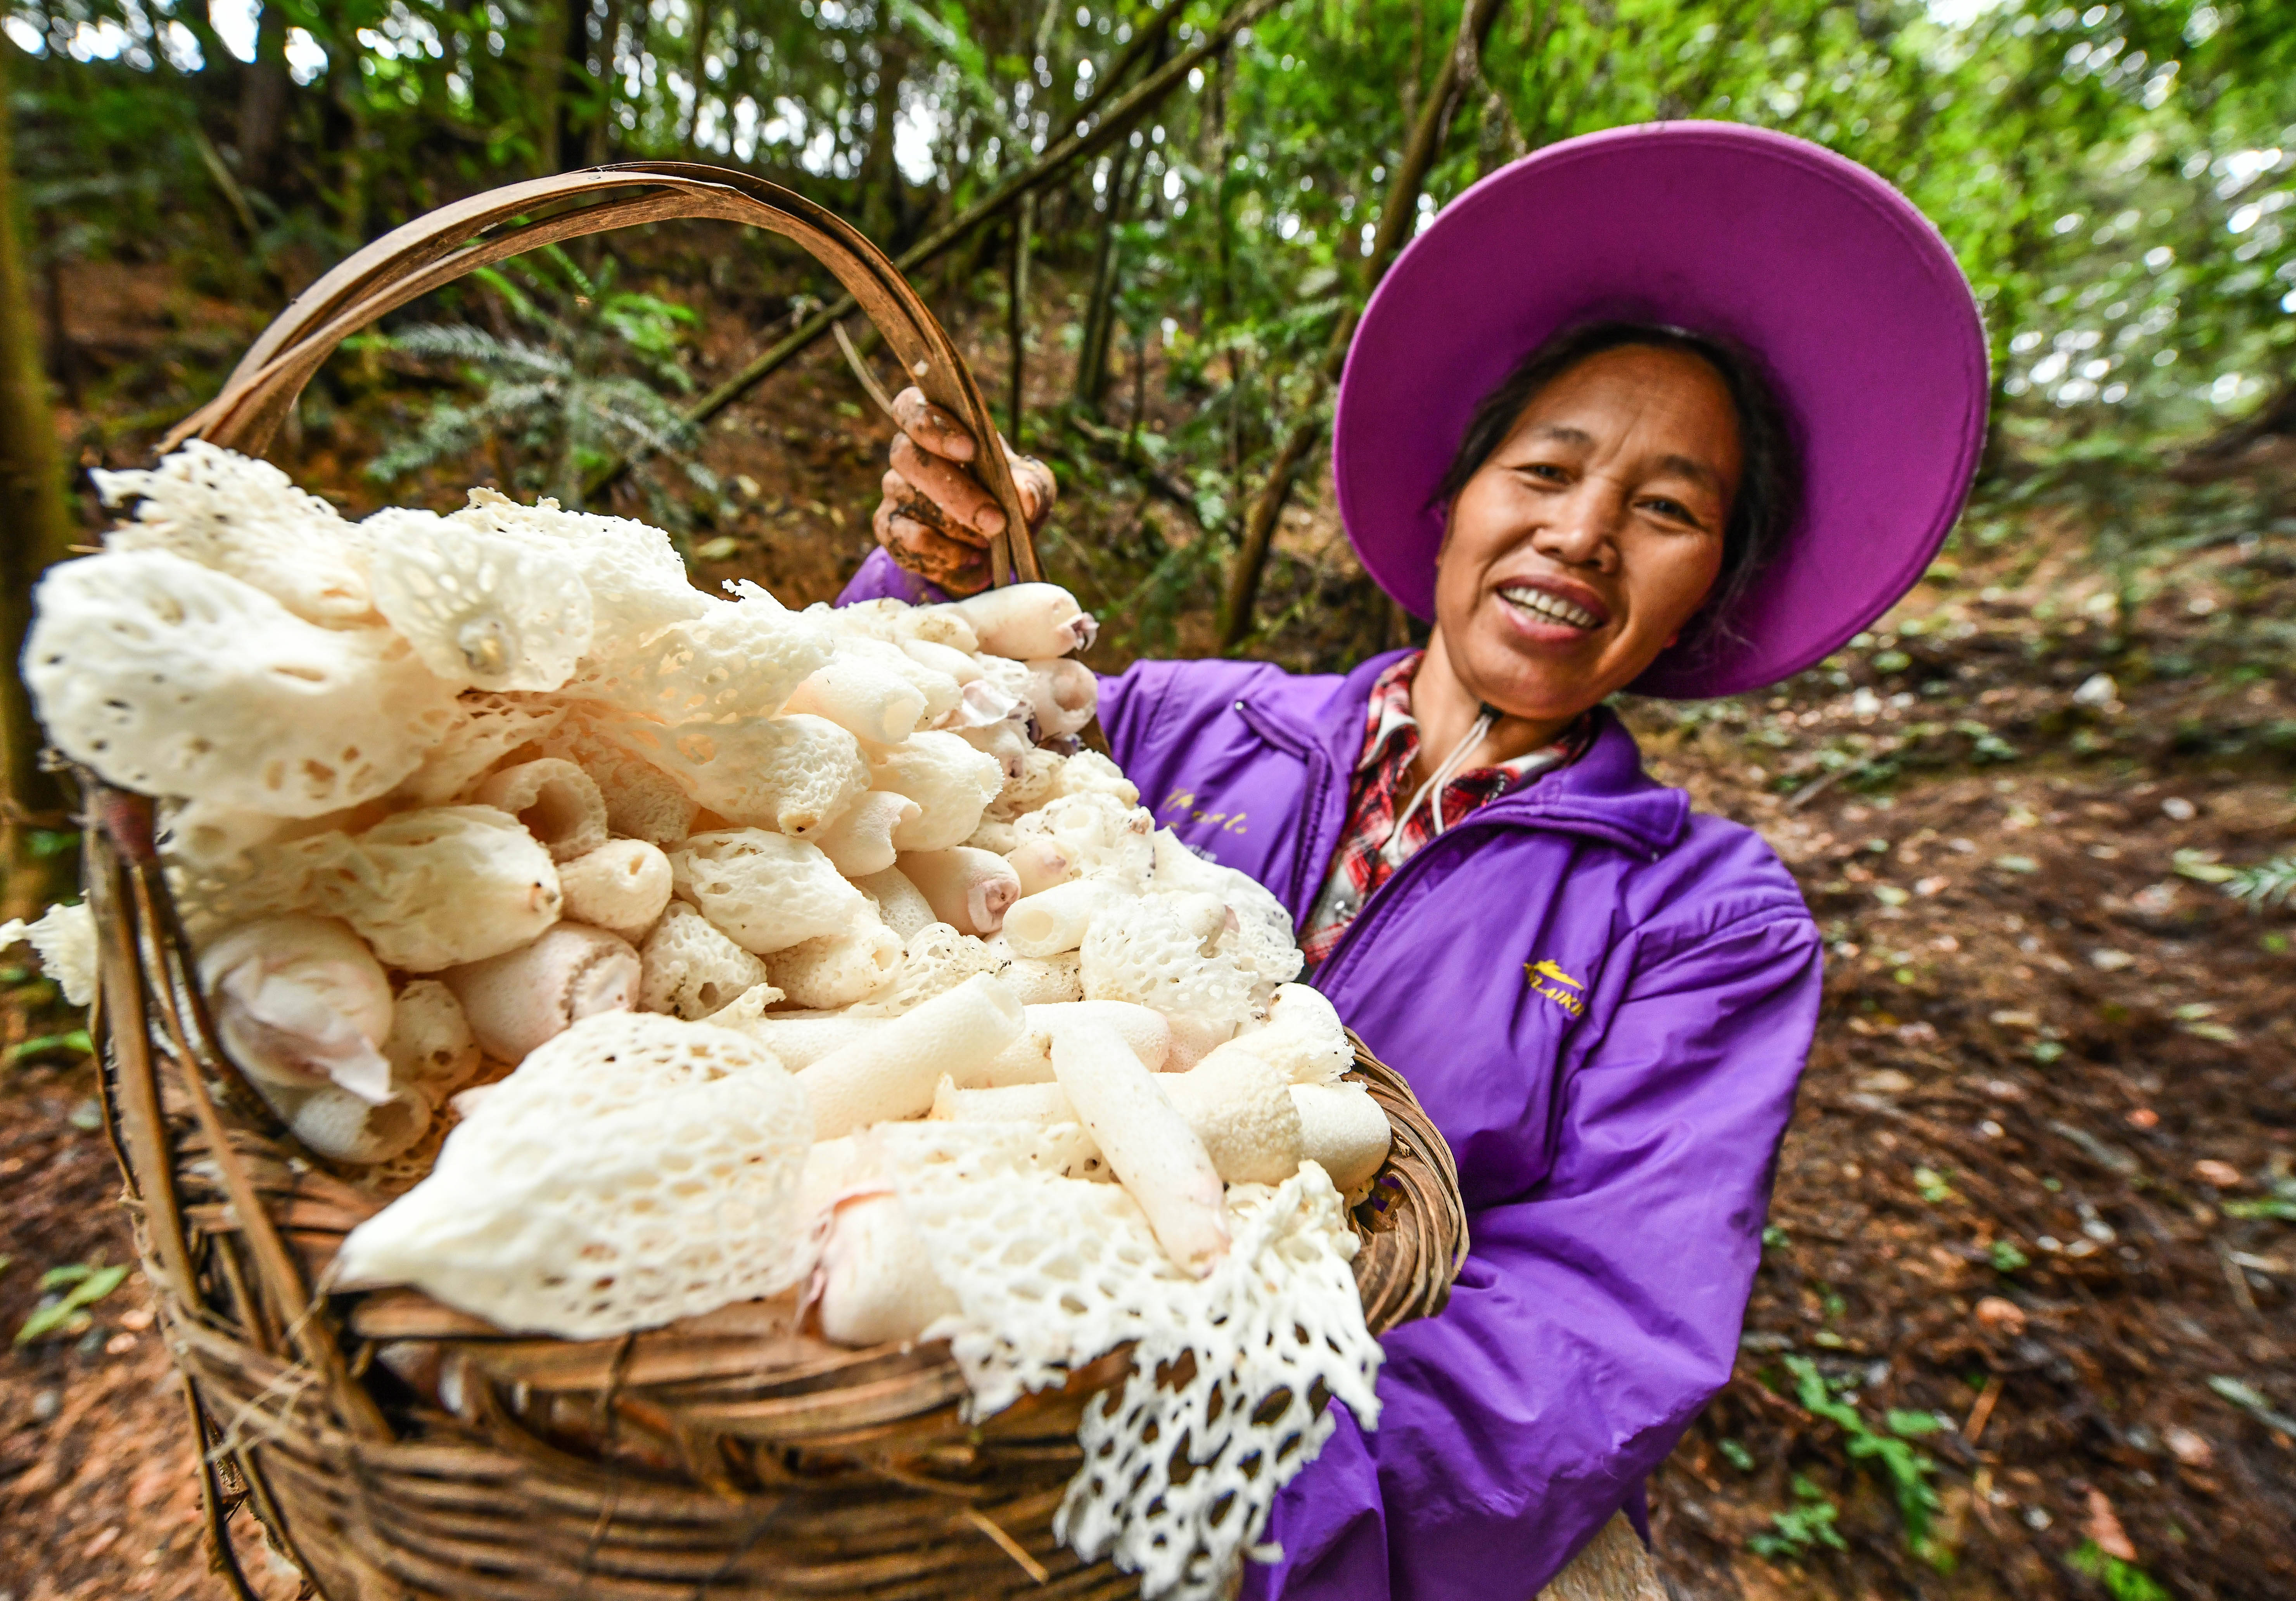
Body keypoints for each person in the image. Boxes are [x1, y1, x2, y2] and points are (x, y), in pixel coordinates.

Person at [840, 122, 1988, 1601]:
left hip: (1310, 1482)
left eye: (1667, 510)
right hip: (966, 1326)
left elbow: (1591, 1327)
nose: (1581, 535)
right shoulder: (1183, 723)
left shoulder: (1707, 920)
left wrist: (1216, 1511)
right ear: (1455, 504)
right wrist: (932, 596)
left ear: (1709, 591)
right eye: (1549, 468)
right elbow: (911, 809)